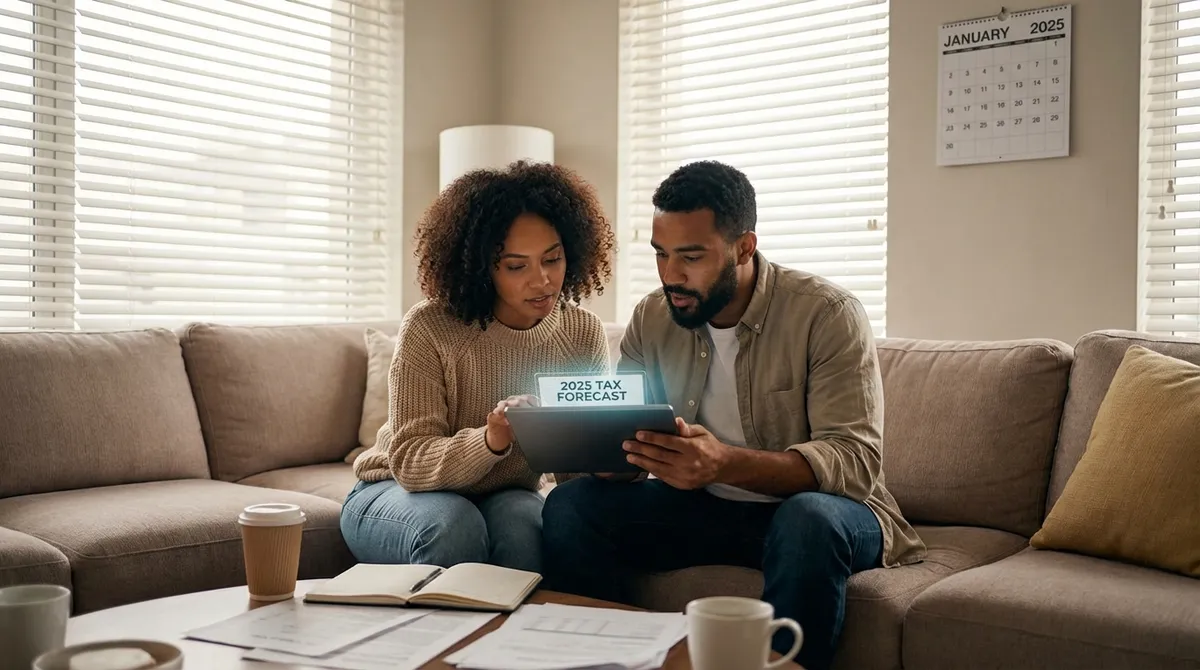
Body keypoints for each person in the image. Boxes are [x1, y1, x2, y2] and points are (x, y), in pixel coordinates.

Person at [541, 160, 926, 670]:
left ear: (744, 247)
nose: (670, 275)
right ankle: (610, 660)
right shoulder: (654, 316)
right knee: (571, 505)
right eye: (661, 255)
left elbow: (853, 462)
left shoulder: (827, 314)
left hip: (829, 513)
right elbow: (629, 441)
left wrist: (723, 463)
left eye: (692, 257)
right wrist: (612, 453)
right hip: (705, 506)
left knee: (807, 520)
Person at [343, 160, 615, 575]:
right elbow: (411, 461)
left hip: (506, 493)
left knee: (529, 531)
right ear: (481, 268)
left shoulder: (581, 332)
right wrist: (491, 439)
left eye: (552, 259)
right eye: (516, 266)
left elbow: (575, 473)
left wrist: (617, 455)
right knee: (454, 526)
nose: (542, 280)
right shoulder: (430, 326)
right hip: (393, 489)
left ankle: (516, 641)